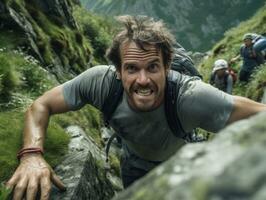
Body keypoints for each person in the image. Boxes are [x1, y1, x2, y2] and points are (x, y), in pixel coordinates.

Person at [6, 15, 266, 199]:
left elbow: (259, 116)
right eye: (132, 68)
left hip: (182, 164)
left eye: (153, 67)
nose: (143, 80)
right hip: (132, 162)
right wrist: (31, 155)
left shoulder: (192, 97)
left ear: (166, 67)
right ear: (118, 71)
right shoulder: (100, 83)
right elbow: (41, 104)